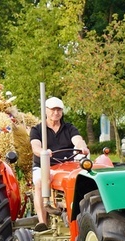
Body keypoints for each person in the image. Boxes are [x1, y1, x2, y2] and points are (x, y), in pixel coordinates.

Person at [29, 96, 89, 232]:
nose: (56, 113)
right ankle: (42, 222)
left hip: (66, 166)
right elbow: (35, 147)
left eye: (59, 110)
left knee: (83, 179)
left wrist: (82, 146)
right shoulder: (37, 130)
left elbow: (78, 140)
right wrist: (43, 152)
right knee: (40, 181)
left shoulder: (69, 128)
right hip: (45, 166)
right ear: (46, 110)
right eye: (53, 110)